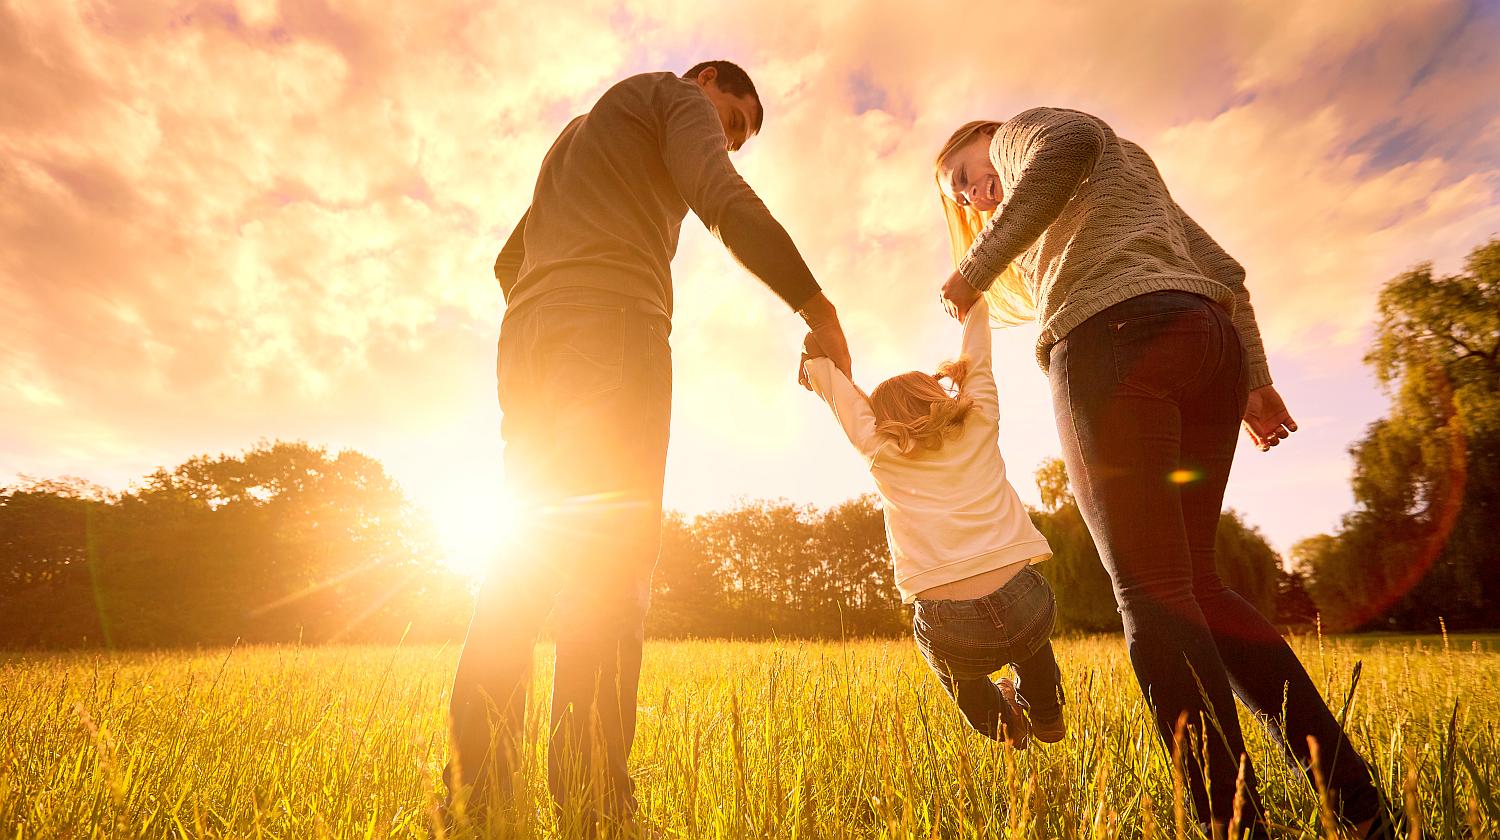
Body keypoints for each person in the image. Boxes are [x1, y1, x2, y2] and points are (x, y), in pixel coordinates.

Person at [931, 110, 1399, 839]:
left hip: (1114, 342)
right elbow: (1225, 273)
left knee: (1150, 594)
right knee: (1197, 589)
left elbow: (1071, 140)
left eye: (964, 174)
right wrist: (1255, 378)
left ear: (985, 137)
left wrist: (972, 269)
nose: (970, 195)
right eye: (959, 199)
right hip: (1206, 346)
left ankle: (1232, 822)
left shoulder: (1027, 132)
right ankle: (1358, 804)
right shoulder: (1127, 173)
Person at [447, 60, 853, 832]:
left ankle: (478, 795)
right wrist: (816, 303)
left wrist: (558, 305)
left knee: (522, 563)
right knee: (609, 564)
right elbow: (722, 198)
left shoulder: (580, 135)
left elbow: (509, 259)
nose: (727, 142)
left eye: (737, 136)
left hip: (528, 340)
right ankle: (595, 805)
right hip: (612, 329)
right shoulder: (672, 97)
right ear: (705, 83)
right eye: (730, 122)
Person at [801, 297, 1063, 750]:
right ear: (938, 394)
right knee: (1029, 640)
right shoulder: (979, 420)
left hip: (950, 622)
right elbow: (977, 358)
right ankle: (1044, 710)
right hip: (1025, 601)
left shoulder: (879, 450)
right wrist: (974, 306)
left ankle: (1003, 724)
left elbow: (842, 400)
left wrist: (817, 365)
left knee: (957, 674)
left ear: (881, 421)